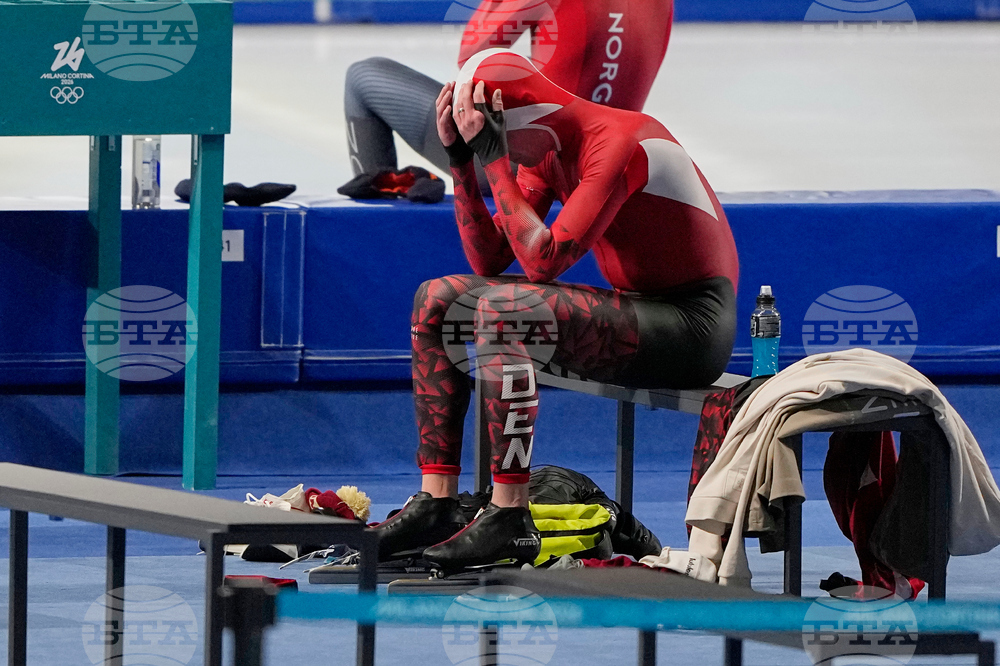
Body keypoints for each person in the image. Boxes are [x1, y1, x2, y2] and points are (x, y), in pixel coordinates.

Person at [373, 50, 739, 570]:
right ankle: (437, 501)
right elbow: (491, 258)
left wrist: (494, 159)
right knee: (435, 298)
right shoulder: (546, 150)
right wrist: (462, 164)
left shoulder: (620, 141)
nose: (506, 158)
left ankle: (509, 516)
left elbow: (543, 262)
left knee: (505, 310)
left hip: (693, 326)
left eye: (495, 140)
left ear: (522, 120)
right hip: (644, 309)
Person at [344, 0, 674, 176]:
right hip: (612, 166)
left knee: (363, 77)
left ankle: (381, 190)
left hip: (535, 173)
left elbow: (470, 56)